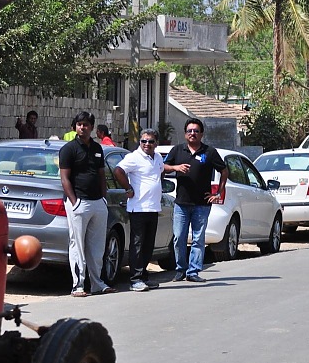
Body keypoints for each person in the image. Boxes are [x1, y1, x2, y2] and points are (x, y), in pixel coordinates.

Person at [59, 111, 117, 296]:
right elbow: (65, 178)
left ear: (92, 127)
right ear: (75, 127)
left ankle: (97, 283)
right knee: (77, 245)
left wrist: (103, 198)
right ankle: (78, 285)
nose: (82, 127)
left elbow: (101, 175)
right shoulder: (68, 149)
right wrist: (74, 202)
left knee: (97, 246)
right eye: (79, 124)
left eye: (86, 124)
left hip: (97, 203)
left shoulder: (98, 149)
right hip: (79, 203)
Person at [163, 118, 228, 283]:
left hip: (202, 204)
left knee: (198, 239)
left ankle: (193, 272)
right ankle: (180, 270)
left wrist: (218, 192)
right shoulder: (178, 150)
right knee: (178, 238)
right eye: (190, 131)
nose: (193, 133)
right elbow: (162, 167)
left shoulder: (210, 152)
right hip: (181, 204)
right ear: (185, 134)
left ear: (201, 134)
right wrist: (175, 168)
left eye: (196, 131)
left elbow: (224, 170)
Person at [113, 128, 165, 292]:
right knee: (137, 244)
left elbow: (160, 173)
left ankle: (143, 276)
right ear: (139, 142)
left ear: (156, 143)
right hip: (138, 208)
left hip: (153, 207)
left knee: (148, 245)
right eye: (144, 141)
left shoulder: (157, 157)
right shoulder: (134, 157)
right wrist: (128, 188)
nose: (147, 144)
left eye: (150, 141)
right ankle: (135, 279)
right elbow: (118, 171)